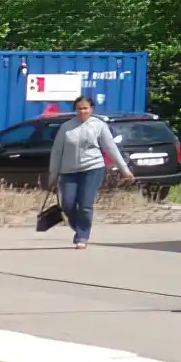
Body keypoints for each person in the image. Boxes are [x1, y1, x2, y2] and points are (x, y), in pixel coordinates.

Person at [47, 93, 134, 249]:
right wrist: (53, 175)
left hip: (92, 169)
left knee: (86, 204)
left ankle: (82, 235)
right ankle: (79, 227)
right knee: (68, 204)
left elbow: (111, 148)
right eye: (79, 109)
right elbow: (56, 152)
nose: (82, 112)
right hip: (68, 171)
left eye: (86, 108)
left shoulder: (99, 126)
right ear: (75, 110)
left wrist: (124, 170)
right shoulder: (66, 127)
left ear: (91, 109)